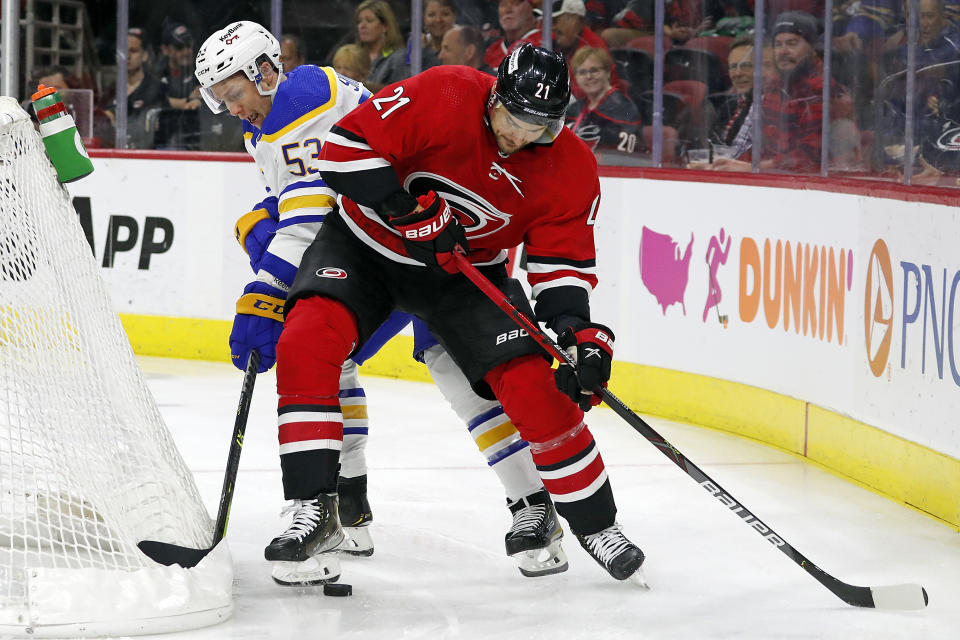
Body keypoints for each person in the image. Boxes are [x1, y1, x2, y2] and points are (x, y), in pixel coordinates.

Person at [195, 21, 568, 585]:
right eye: (222, 100)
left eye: (235, 94)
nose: (232, 109)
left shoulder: (301, 104)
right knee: (336, 357)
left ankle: (518, 504)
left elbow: (311, 214)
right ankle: (352, 509)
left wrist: (267, 287)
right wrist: (264, 225)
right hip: (387, 245)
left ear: (265, 73)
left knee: (451, 372)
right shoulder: (273, 115)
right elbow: (299, 202)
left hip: (423, 245)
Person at [276, 43, 646, 585]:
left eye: (539, 128)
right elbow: (342, 150)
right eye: (513, 119)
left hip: (463, 275)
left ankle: (596, 524)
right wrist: (407, 211)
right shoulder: (445, 91)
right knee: (306, 340)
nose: (521, 136)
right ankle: (313, 509)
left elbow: (560, 266)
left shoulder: (571, 167)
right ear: (494, 95)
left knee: (530, 385)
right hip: (362, 246)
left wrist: (577, 333)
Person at [713, 11, 855, 173]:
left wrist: (751, 168)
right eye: (778, 44)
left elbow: (808, 158)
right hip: (778, 179)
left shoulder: (824, 90)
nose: (783, 51)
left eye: (792, 43)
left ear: (812, 49)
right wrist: (723, 166)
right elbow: (762, 146)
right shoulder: (774, 88)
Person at [565, 47, 644, 154]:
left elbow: (627, 153)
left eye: (594, 70)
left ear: (608, 72)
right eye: (582, 72)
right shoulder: (575, 108)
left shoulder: (623, 107)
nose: (589, 76)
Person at [105, 28, 165, 149]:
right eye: (123, 51)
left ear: (144, 56)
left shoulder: (157, 88)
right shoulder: (111, 90)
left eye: (133, 51)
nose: (127, 56)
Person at [354, 0, 409, 92]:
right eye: (359, 21)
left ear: (385, 26)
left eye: (369, 20)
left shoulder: (398, 58)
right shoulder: (353, 54)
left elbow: (401, 92)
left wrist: (363, 87)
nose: (362, 26)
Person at [485, 0, 541, 70]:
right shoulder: (491, 51)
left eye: (515, 4)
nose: (508, 10)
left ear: (531, 8)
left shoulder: (546, 41)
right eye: (503, 5)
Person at [159, 22, 201, 110]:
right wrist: (189, 101)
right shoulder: (157, 73)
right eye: (179, 47)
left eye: (189, 45)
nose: (186, 52)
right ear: (165, 50)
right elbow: (156, 101)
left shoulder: (201, 68)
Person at [413, 0, 458, 69]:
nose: (438, 20)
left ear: (454, 16)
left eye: (445, 14)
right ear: (423, 18)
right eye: (431, 15)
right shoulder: (419, 46)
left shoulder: (464, 42)